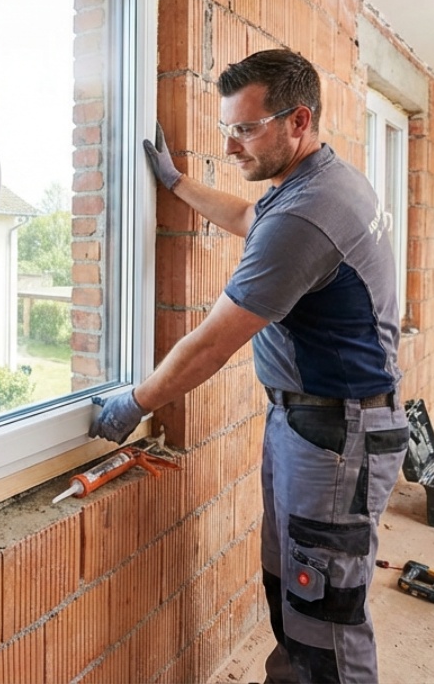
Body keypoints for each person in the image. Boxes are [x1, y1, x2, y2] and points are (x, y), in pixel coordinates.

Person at [90, 49, 406, 682]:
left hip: (337, 437)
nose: (231, 146)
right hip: (311, 422)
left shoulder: (306, 215)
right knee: (291, 590)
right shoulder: (322, 180)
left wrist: (135, 403)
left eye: (245, 128)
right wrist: (176, 183)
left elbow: (210, 344)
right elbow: (247, 217)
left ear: (298, 121)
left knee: (326, 623)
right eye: (226, 128)